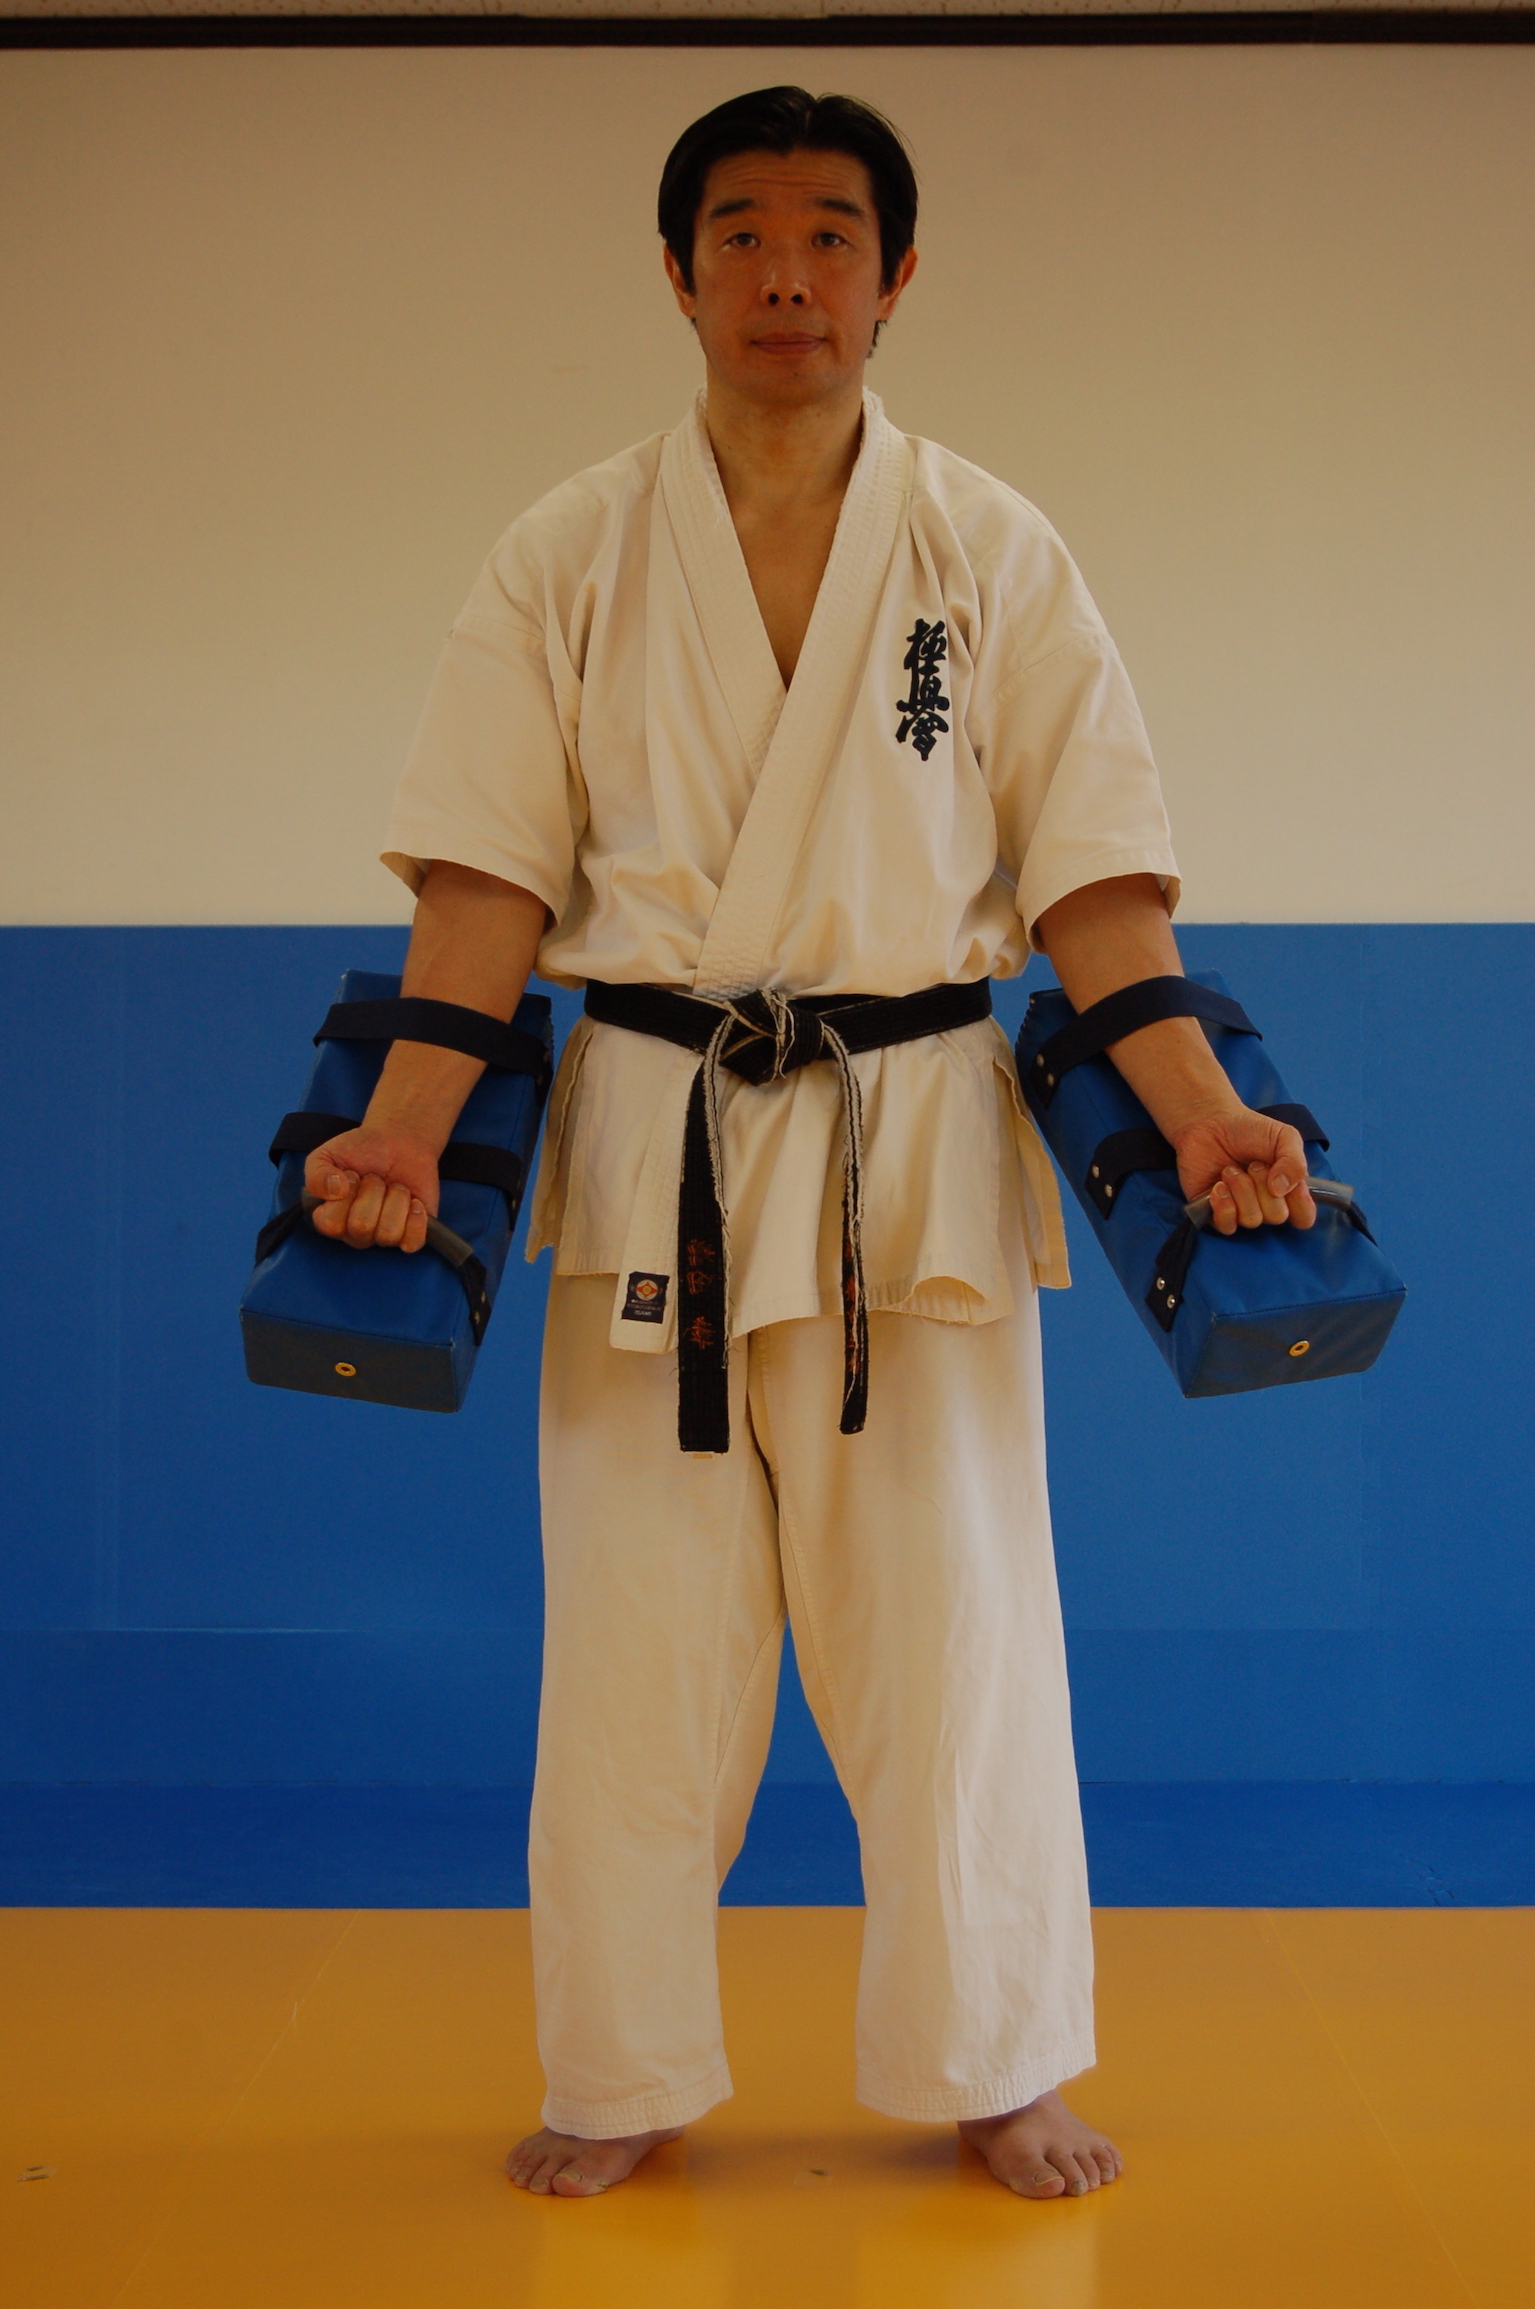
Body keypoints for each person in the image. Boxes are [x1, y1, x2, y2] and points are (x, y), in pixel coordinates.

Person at [305, 87, 1316, 2202]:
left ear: (897, 275)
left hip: (911, 1144)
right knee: (636, 1640)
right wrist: (401, 1133)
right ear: (678, 275)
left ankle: (999, 2058)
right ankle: (621, 2065)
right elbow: (485, 876)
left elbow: (1093, 882)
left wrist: (1212, 1114)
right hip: (651, 1141)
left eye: (831, 234)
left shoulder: (986, 550)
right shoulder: (569, 551)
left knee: (955, 1629)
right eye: (744, 234)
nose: (787, 274)